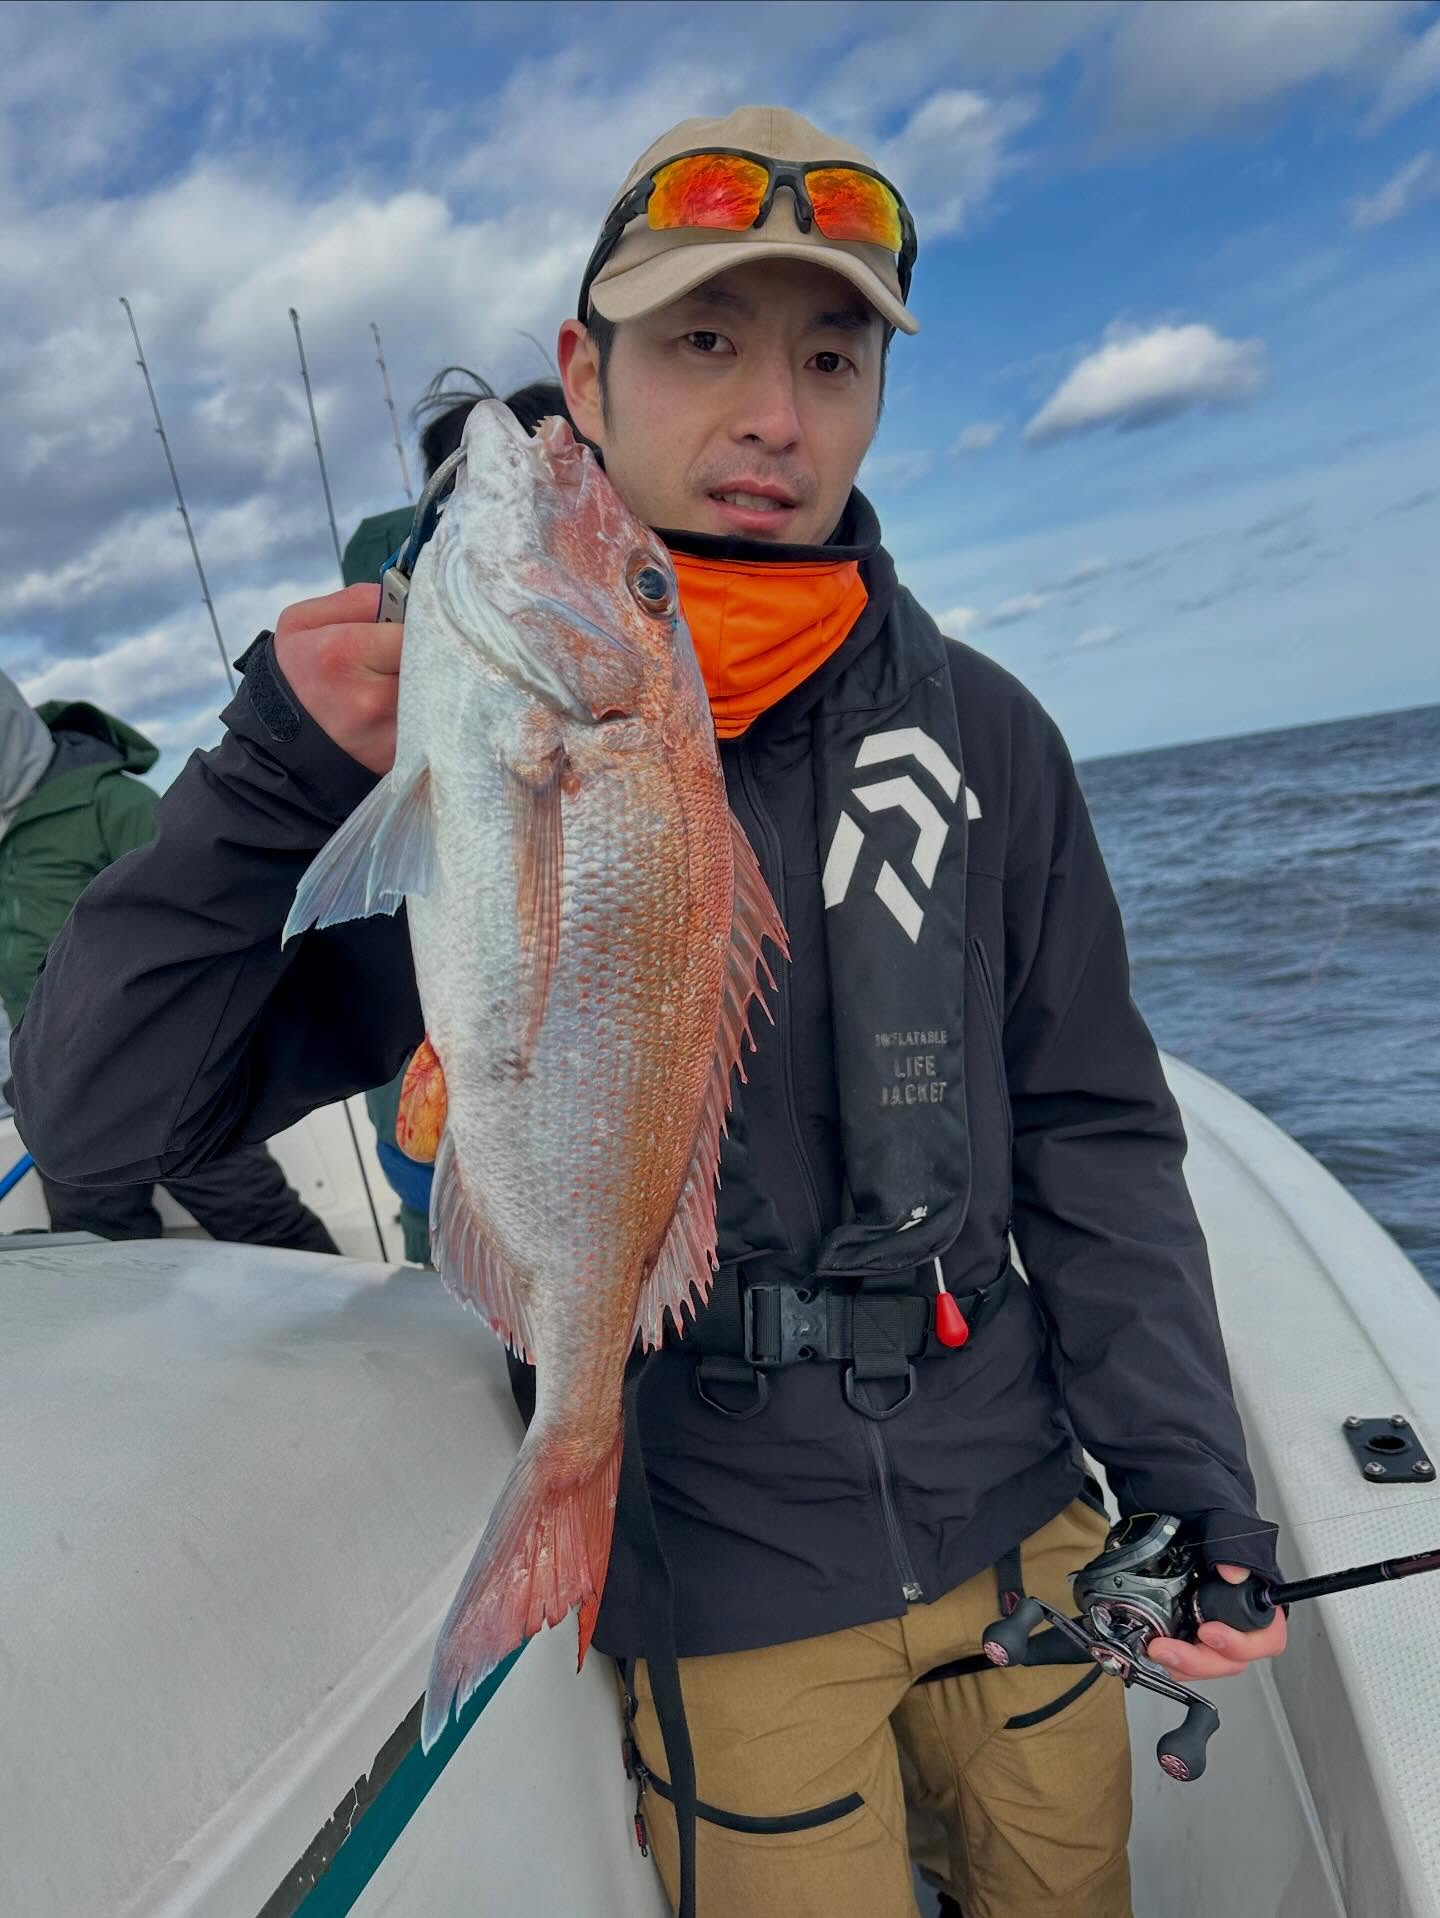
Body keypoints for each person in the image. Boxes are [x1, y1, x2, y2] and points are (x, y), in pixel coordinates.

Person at [13, 105, 1287, 1918]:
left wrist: (1184, 1472)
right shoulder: (463, 771)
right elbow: (103, 1119)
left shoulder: (989, 734)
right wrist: (272, 776)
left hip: (1025, 1519)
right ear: (585, 372)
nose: (775, 414)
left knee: (1071, 1885)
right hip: (725, 1571)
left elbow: (1092, 1125)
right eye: (704, 340)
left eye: (831, 358)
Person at [342, 370, 573, 1266]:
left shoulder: (398, 649)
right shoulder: (404, 673)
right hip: (460, 1103)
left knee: (458, 1259)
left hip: (448, 1106)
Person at [0, 671, 337, 1253]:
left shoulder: (112, 804)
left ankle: (340, 1312)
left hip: (172, 1077)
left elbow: (212, 910)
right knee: (97, 1253)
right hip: (57, 1093)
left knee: (259, 1220)